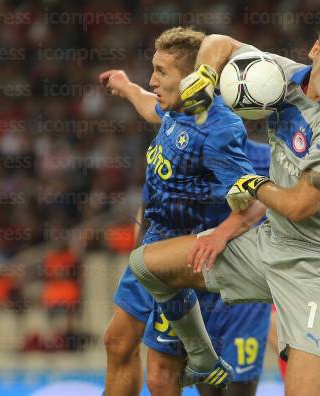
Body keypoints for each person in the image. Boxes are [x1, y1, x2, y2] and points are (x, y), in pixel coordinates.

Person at [128, 15, 320, 396]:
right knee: (147, 265)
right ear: (315, 51)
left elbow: (299, 206)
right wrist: (207, 74)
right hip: (270, 244)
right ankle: (202, 356)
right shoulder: (281, 76)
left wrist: (252, 183)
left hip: (318, 266)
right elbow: (220, 42)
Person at [100, 27, 271, 396]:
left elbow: (256, 199)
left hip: (182, 259)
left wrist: (220, 236)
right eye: (153, 69)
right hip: (154, 244)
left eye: (162, 71)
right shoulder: (175, 107)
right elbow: (152, 107)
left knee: (162, 374)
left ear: (193, 78)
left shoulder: (219, 128)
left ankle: (204, 358)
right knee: (116, 342)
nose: (153, 79)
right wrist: (126, 86)